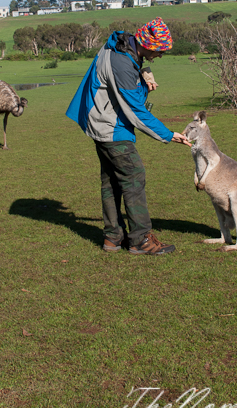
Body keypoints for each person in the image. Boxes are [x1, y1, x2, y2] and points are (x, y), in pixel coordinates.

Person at [66, 18, 190, 255]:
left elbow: (135, 64)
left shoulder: (121, 43)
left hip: (99, 123)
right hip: (112, 129)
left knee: (112, 182)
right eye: (159, 51)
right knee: (134, 176)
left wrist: (146, 72)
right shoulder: (122, 63)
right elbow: (135, 112)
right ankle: (140, 239)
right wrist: (167, 135)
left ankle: (113, 238)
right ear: (147, 44)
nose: (161, 56)